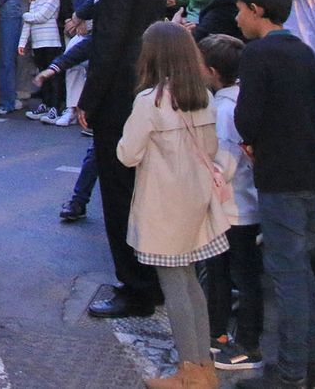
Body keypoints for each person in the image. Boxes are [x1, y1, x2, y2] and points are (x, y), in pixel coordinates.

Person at [232, 0, 315, 389]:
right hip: (311, 172)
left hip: (283, 175)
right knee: (300, 276)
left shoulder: (258, 55)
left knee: (288, 277)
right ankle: (313, 367)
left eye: (240, 10)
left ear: (257, 9)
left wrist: (251, 140)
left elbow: (247, 118)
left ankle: (292, 374)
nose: (236, 19)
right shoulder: (304, 52)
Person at [118, 22, 228, 389]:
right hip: (197, 200)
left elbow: (128, 154)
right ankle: (203, 367)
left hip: (164, 203)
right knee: (192, 284)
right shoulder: (204, 96)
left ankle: (189, 372)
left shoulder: (150, 101)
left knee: (175, 288)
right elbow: (211, 150)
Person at [77, 0, 167, 318]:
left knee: (119, 194)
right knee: (139, 191)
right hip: (143, 89)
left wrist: (88, 100)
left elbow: (108, 42)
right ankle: (150, 279)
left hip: (119, 98)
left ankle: (135, 285)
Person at [196, 34, 264, 374]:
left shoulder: (224, 109)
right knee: (230, 273)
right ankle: (219, 334)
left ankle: (243, 341)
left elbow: (222, 163)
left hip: (232, 207)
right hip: (244, 202)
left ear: (211, 71)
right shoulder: (241, 99)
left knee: (232, 274)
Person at [21, 0, 64, 121]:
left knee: (52, 75)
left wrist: (26, 16)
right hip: (38, 42)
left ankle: (55, 106)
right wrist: (22, 43)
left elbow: (42, 16)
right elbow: (30, 22)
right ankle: (45, 104)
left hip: (50, 41)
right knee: (42, 73)